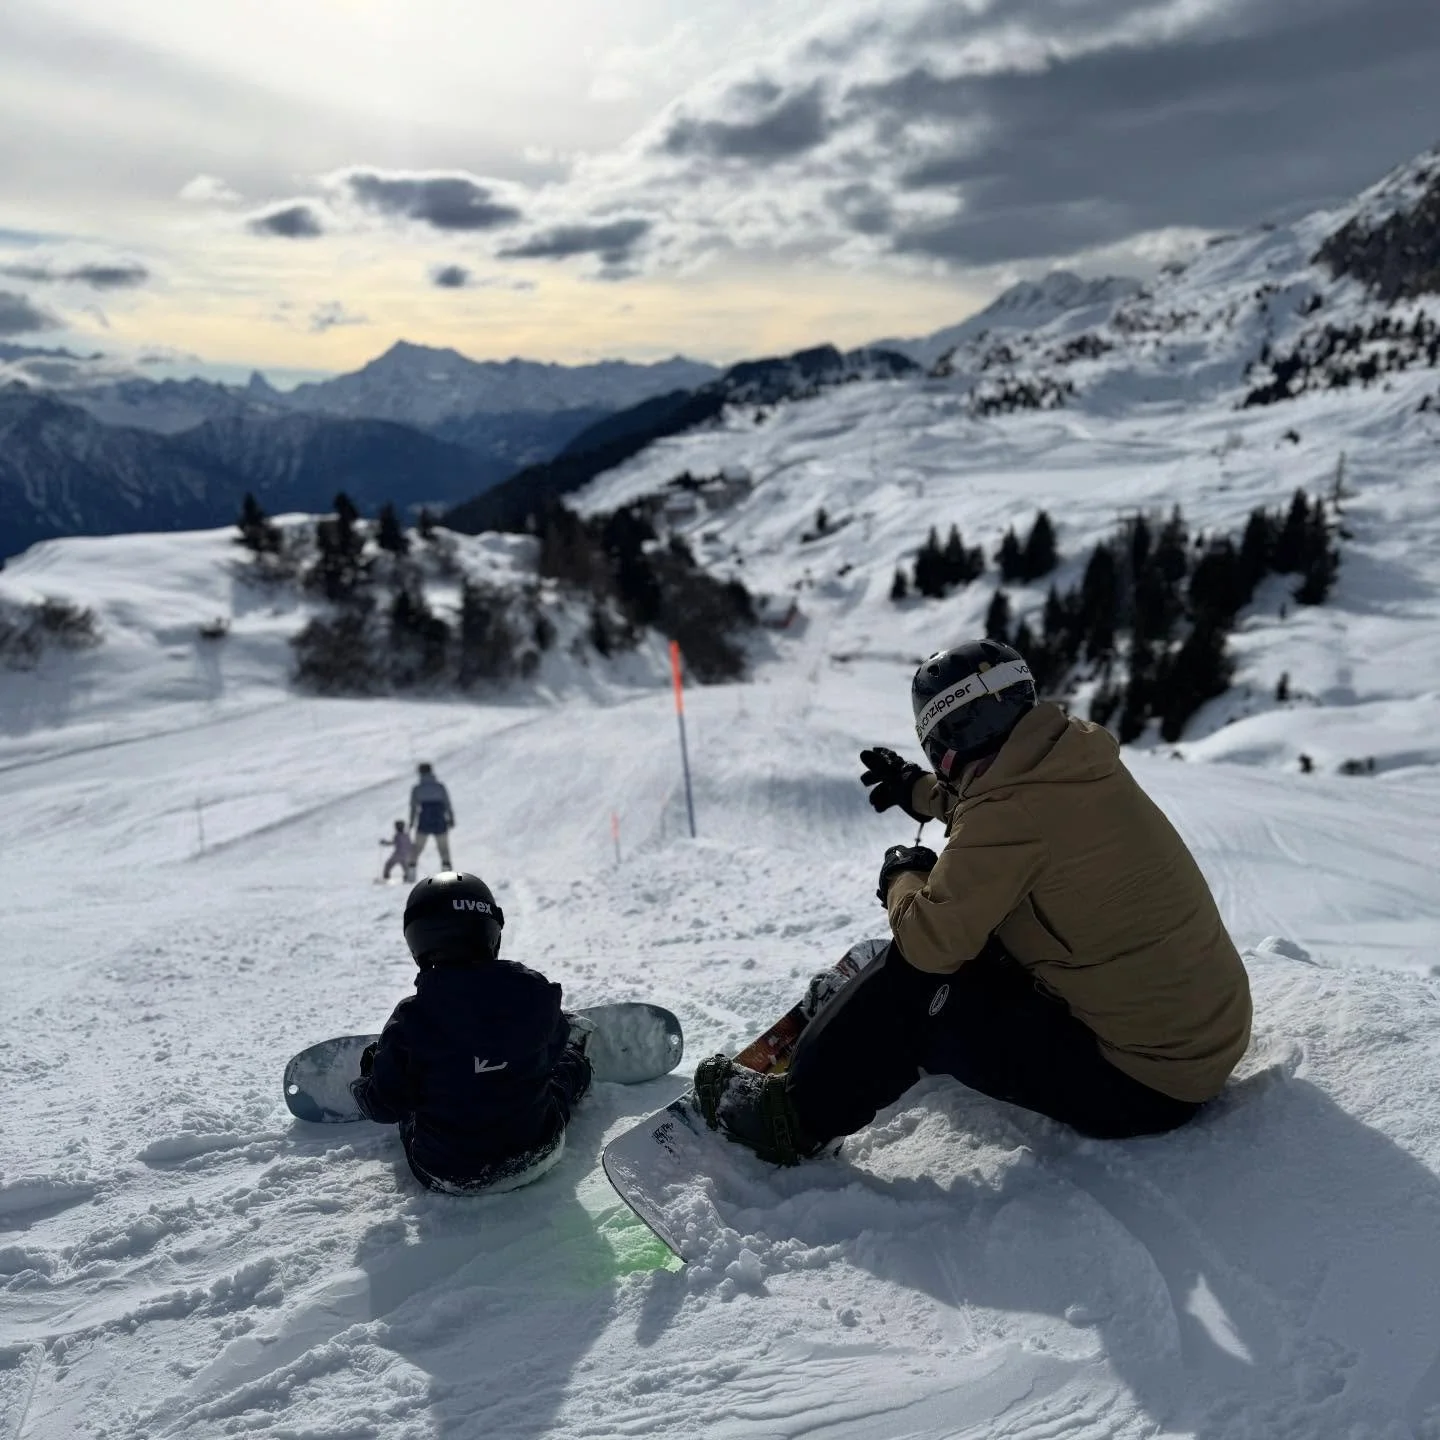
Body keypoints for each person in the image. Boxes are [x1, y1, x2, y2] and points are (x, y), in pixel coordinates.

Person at [694, 638, 1254, 1164]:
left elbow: (928, 944)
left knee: (922, 981)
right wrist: (917, 790)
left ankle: (791, 1118)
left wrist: (903, 875)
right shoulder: (1072, 757)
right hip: (1197, 1040)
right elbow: (999, 799)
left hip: (1141, 1087)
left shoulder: (1007, 814)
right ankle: (850, 1021)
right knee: (975, 937)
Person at [349, 871, 593, 1193]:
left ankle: (381, 1066)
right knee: (558, 1070)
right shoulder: (535, 993)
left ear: (417, 941)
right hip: (540, 1151)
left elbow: (384, 1107)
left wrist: (364, 1084)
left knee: (409, 1105)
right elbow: (552, 1051)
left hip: (449, 1174)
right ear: (491, 931)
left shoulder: (412, 1019)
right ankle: (582, 1062)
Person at [409, 762, 455, 871]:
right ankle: (446, 869)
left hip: (424, 818)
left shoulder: (417, 789)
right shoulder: (440, 787)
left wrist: (411, 822)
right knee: (443, 847)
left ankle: (411, 870)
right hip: (439, 818)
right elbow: (447, 804)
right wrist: (451, 818)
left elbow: (413, 807)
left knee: (418, 846)